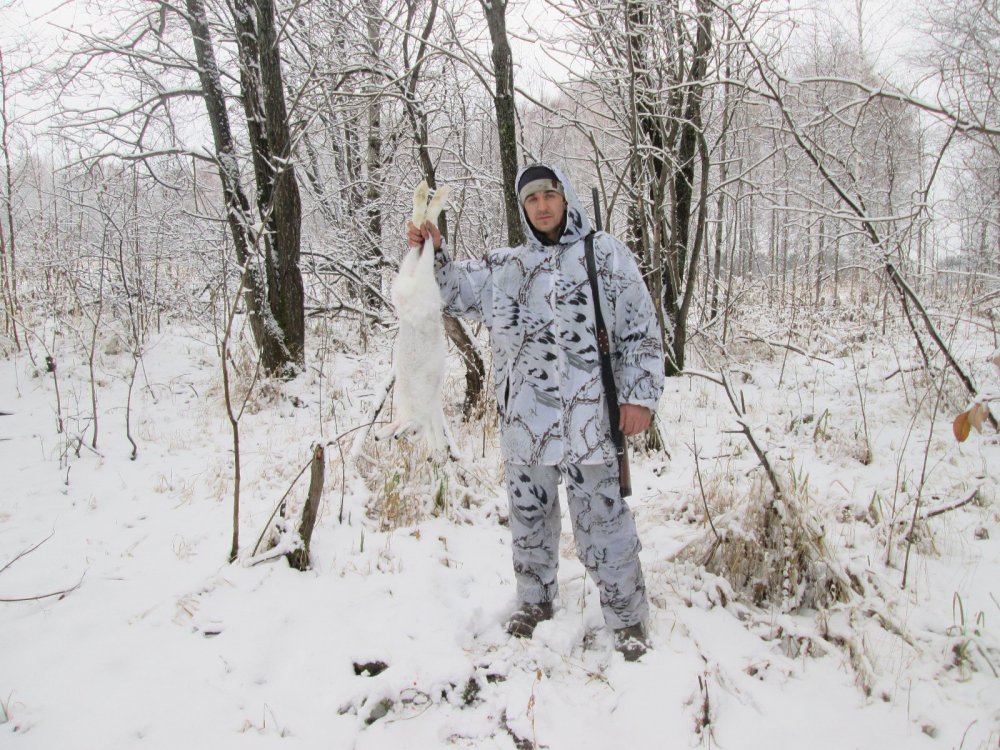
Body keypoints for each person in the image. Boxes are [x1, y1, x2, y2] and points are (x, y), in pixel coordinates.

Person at [406, 163, 664, 661]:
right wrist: (432, 252)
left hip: (592, 422)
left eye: (549, 195)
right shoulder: (507, 267)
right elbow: (455, 291)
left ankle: (627, 616)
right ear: (523, 209)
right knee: (529, 520)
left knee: (604, 522)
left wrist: (640, 396)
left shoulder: (604, 254)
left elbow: (640, 330)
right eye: (531, 199)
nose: (542, 206)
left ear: (565, 197)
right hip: (527, 426)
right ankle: (534, 601)